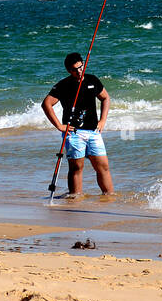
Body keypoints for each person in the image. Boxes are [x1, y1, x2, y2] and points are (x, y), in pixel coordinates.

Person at [42, 52, 114, 195]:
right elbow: (46, 104)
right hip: (73, 133)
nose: (79, 71)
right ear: (69, 70)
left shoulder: (92, 80)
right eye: (75, 69)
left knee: (103, 167)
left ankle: (109, 198)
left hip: (94, 132)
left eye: (81, 67)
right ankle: (75, 200)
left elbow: (105, 98)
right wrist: (59, 126)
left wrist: (103, 120)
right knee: (76, 168)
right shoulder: (63, 85)